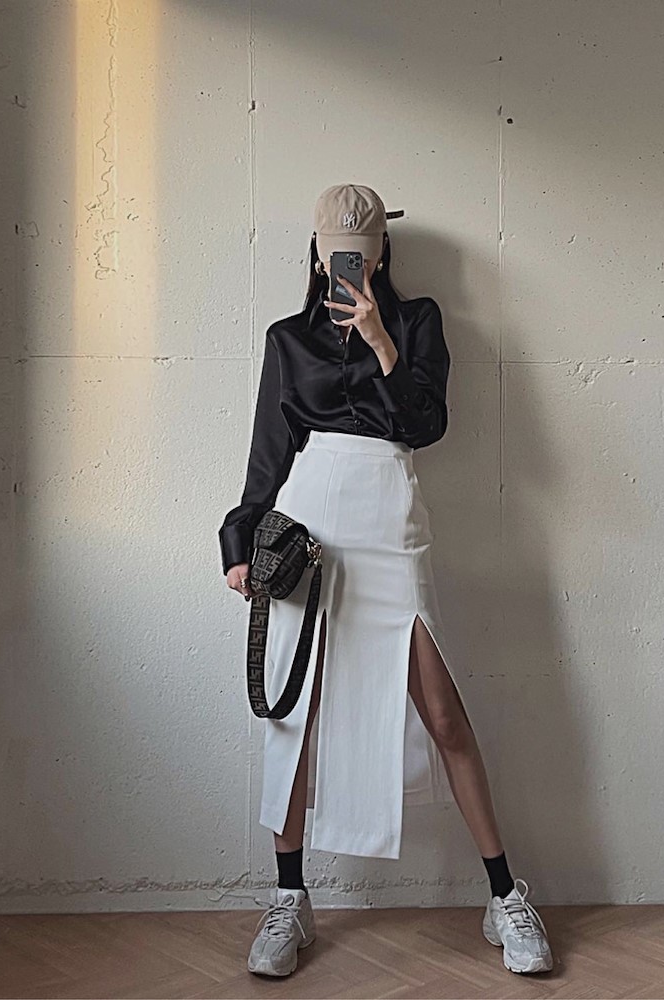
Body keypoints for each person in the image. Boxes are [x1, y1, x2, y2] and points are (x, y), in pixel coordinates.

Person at [217, 184, 554, 977]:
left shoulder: (417, 321)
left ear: (378, 257)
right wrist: (239, 543)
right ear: (317, 256)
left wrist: (377, 338)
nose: (349, 267)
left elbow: (424, 424)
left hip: (389, 524)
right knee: (293, 715)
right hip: (308, 526)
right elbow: (269, 449)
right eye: (337, 255)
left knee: (441, 714)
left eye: (360, 257)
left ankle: (503, 896)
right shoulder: (285, 339)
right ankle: (289, 898)